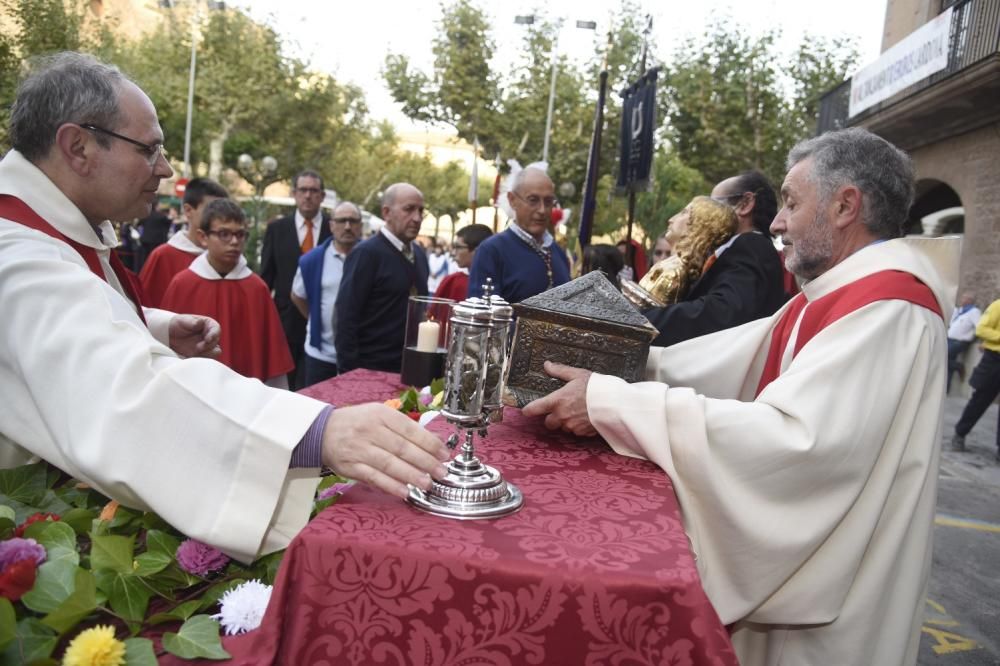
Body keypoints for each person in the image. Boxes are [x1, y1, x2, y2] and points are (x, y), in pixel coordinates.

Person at [522, 127, 958, 665]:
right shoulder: (833, 297)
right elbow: (719, 364)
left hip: (834, 616)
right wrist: (614, 365)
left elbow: (797, 446)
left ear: (846, 206)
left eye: (793, 203)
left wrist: (611, 403)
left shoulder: (889, 309)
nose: (775, 222)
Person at [0, 52, 448, 565]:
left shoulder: (48, 232)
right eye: (149, 150)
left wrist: (158, 327)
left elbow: (70, 328)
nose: (166, 170)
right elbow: (123, 390)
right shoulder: (15, 255)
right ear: (77, 146)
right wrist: (317, 432)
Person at [643, 170, 788, 346]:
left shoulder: (752, 246)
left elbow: (723, 312)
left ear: (745, 204)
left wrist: (642, 319)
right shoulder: (736, 249)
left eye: (713, 203)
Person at [161, 199, 293, 387]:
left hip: (246, 394)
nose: (234, 242)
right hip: (194, 389)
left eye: (240, 234)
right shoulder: (182, 284)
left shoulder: (257, 288)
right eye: (224, 234)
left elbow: (272, 361)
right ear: (203, 237)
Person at [335, 183, 429, 373]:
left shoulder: (419, 254)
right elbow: (345, 319)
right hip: (370, 372)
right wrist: (350, 376)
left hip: (409, 370)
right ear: (386, 212)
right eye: (409, 209)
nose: (417, 218)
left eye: (421, 210)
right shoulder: (366, 254)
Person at [260, 169, 332, 390]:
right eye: (303, 190)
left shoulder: (335, 229)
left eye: (313, 190)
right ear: (294, 193)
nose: (308, 196)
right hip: (286, 324)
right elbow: (266, 278)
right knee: (287, 387)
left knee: (319, 388)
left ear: (322, 196)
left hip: (325, 328)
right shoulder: (277, 229)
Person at [468, 165, 570, 302]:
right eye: (533, 200)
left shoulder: (558, 252)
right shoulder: (492, 251)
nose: (542, 210)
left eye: (548, 201)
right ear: (512, 200)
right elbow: (482, 315)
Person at [290, 201, 362, 387]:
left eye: (353, 221)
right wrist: (314, 317)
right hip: (320, 355)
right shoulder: (312, 260)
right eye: (341, 221)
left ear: (360, 226)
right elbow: (297, 295)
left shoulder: (370, 258)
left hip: (360, 355)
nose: (347, 226)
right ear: (331, 225)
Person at [139, 177, 227, 307]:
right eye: (211, 210)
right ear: (188, 210)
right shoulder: (164, 256)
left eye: (223, 210)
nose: (219, 217)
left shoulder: (227, 256)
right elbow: (145, 309)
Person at [951, 298, 1000, 460]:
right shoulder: (997, 306)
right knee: (980, 400)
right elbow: (981, 329)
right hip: (994, 360)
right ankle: (960, 433)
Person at [433, 223, 493, 302]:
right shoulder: (451, 281)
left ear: (477, 251)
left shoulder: (454, 281)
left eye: (458, 247)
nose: (453, 253)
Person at [945, 290, 982, 392]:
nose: (962, 299)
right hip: (950, 338)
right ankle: (946, 388)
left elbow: (979, 326)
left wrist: (977, 338)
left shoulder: (974, 312)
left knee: (944, 358)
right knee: (948, 364)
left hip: (960, 341)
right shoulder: (960, 310)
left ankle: (959, 366)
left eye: (964, 298)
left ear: (970, 300)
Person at [134, 204, 172, 271]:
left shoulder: (146, 215)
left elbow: (138, 224)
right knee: (154, 259)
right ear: (156, 206)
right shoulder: (161, 216)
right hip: (157, 241)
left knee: (144, 259)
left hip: (145, 240)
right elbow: (168, 224)